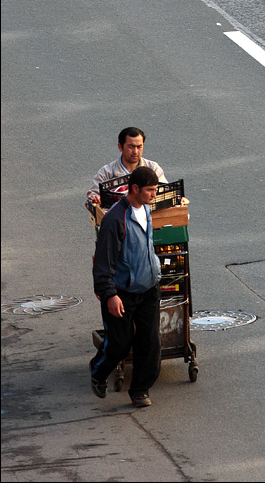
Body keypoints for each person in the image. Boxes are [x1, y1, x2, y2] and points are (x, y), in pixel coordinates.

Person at [90, 166, 162, 408]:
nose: (154, 195)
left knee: (149, 341)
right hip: (122, 293)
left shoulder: (147, 210)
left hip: (149, 288)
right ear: (135, 189)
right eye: (150, 190)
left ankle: (140, 389)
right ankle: (98, 373)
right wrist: (110, 295)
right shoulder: (114, 219)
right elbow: (103, 264)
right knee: (120, 342)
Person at [87, 127, 167, 205]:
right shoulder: (106, 172)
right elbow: (92, 197)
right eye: (130, 147)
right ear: (120, 147)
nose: (135, 151)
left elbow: (166, 191)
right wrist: (95, 199)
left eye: (139, 147)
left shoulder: (153, 168)